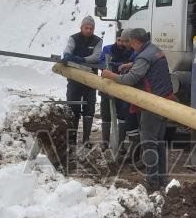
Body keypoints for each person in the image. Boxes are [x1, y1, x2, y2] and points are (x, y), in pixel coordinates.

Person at [101, 28, 175, 191]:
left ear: (135, 42)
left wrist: (109, 75)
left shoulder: (144, 56)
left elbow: (130, 79)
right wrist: (132, 64)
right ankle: (162, 178)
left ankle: (151, 181)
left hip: (151, 104)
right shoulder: (154, 50)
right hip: (165, 101)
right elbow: (146, 65)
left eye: (130, 42)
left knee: (149, 142)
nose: (129, 45)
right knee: (159, 141)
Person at [62, 16, 103, 145]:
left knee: (89, 110)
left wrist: (83, 60)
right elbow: (67, 50)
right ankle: (72, 138)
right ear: (81, 27)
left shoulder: (97, 41)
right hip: (74, 80)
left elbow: (96, 56)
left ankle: (86, 139)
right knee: (73, 108)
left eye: (91, 28)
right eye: (86, 28)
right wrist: (68, 56)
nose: (89, 30)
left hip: (90, 81)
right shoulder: (73, 38)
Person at [98, 31, 134, 149]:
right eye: (119, 40)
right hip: (107, 85)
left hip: (122, 87)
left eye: (123, 41)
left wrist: (116, 65)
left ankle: (120, 143)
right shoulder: (108, 49)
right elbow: (103, 62)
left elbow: (131, 65)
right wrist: (118, 65)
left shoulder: (130, 51)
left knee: (122, 115)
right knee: (106, 113)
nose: (120, 43)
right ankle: (105, 142)